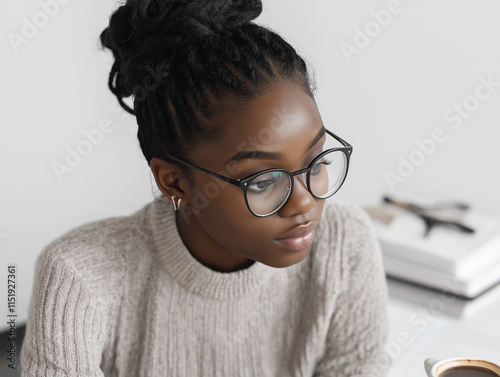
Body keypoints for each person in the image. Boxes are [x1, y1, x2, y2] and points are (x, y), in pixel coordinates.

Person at [20, 0, 391, 376]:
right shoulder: (80, 279)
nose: (304, 202)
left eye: (317, 162)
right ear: (173, 180)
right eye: (262, 181)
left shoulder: (345, 246)